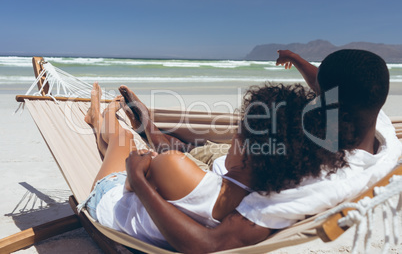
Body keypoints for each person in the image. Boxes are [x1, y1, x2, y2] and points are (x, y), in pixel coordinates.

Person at [125, 49, 402, 252]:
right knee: (208, 146)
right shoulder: (381, 129)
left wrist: (138, 182)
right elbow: (332, 87)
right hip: (251, 159)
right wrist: (297, 60)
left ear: (329, 104)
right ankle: (156, 131)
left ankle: (152, 130)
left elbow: (212, 244)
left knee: (180, 153)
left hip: (224, 178)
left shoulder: (322, 185)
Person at [80, 82, 345, 250]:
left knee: (123, 141)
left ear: (246, 150)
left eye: (238, 133)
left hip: (108, 204)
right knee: (127, 152)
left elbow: (128, 185)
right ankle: (109, 127)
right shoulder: (264, 207)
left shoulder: (176, 166)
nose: (232, 139)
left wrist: (140, 170)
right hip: (153, 213)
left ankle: (100, 119)